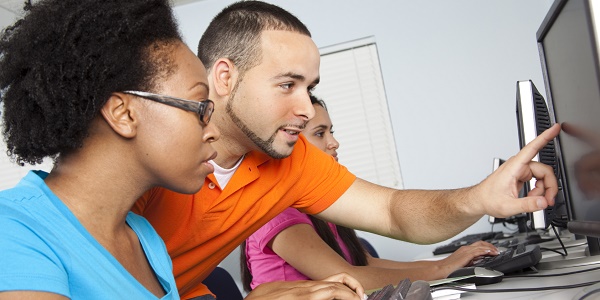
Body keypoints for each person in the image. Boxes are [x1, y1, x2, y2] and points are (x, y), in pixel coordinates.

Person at [133, 1, 561, 299]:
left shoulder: (291, 161)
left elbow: (392, 211)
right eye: (287, 84)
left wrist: (479, 197)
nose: (304, 109)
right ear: (224, 78)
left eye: (309, 88)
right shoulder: (155, 149)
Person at [0, 0, 220, 298]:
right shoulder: (14, 231)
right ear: (123, 114)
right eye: (200, 108)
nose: (213, 131)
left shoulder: (145, 239)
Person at [240, 95, 499, 291]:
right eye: (320, 133)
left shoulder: (319, 204)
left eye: (331, 131)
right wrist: (442, 269)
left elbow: (364, 263)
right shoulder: (275, 213)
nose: (334, 142)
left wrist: (446, 265)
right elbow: (349, 277)